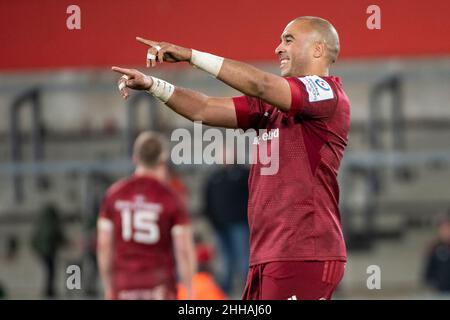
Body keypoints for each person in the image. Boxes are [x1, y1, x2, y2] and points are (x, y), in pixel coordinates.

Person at [112, 16, 350, 300]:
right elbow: (204, 108)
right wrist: (154, 84)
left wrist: (191, 56)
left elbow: (261, 84)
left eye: (288, 39)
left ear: (318, 50)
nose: (278, 48)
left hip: (303, 251)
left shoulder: (327, 92)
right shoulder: (272, 107)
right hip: (269, 254)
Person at [97, 132, 197, 300]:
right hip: (159, 284)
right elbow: (183, 250)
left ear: (135, 158)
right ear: (163, 159)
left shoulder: (114, 194)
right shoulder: (171, 197)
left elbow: (104, 245)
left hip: (124, 284)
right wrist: (190, 291)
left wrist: (108, 286)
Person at [204, 162, 249, 296]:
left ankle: (248, 288)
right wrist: (212, 220)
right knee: (225, 259)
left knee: (243, 258)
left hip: (239, 224)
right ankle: (225, 291)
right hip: (220, 225)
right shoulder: (215, 177)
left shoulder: (242, 174)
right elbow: (207, 199)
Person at [423, 215, 450, 294]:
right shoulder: (434, 248)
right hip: (441, 292)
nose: (445, 231)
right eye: (443, 229)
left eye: (447, 228)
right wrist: (433, 284)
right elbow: (428, 271)